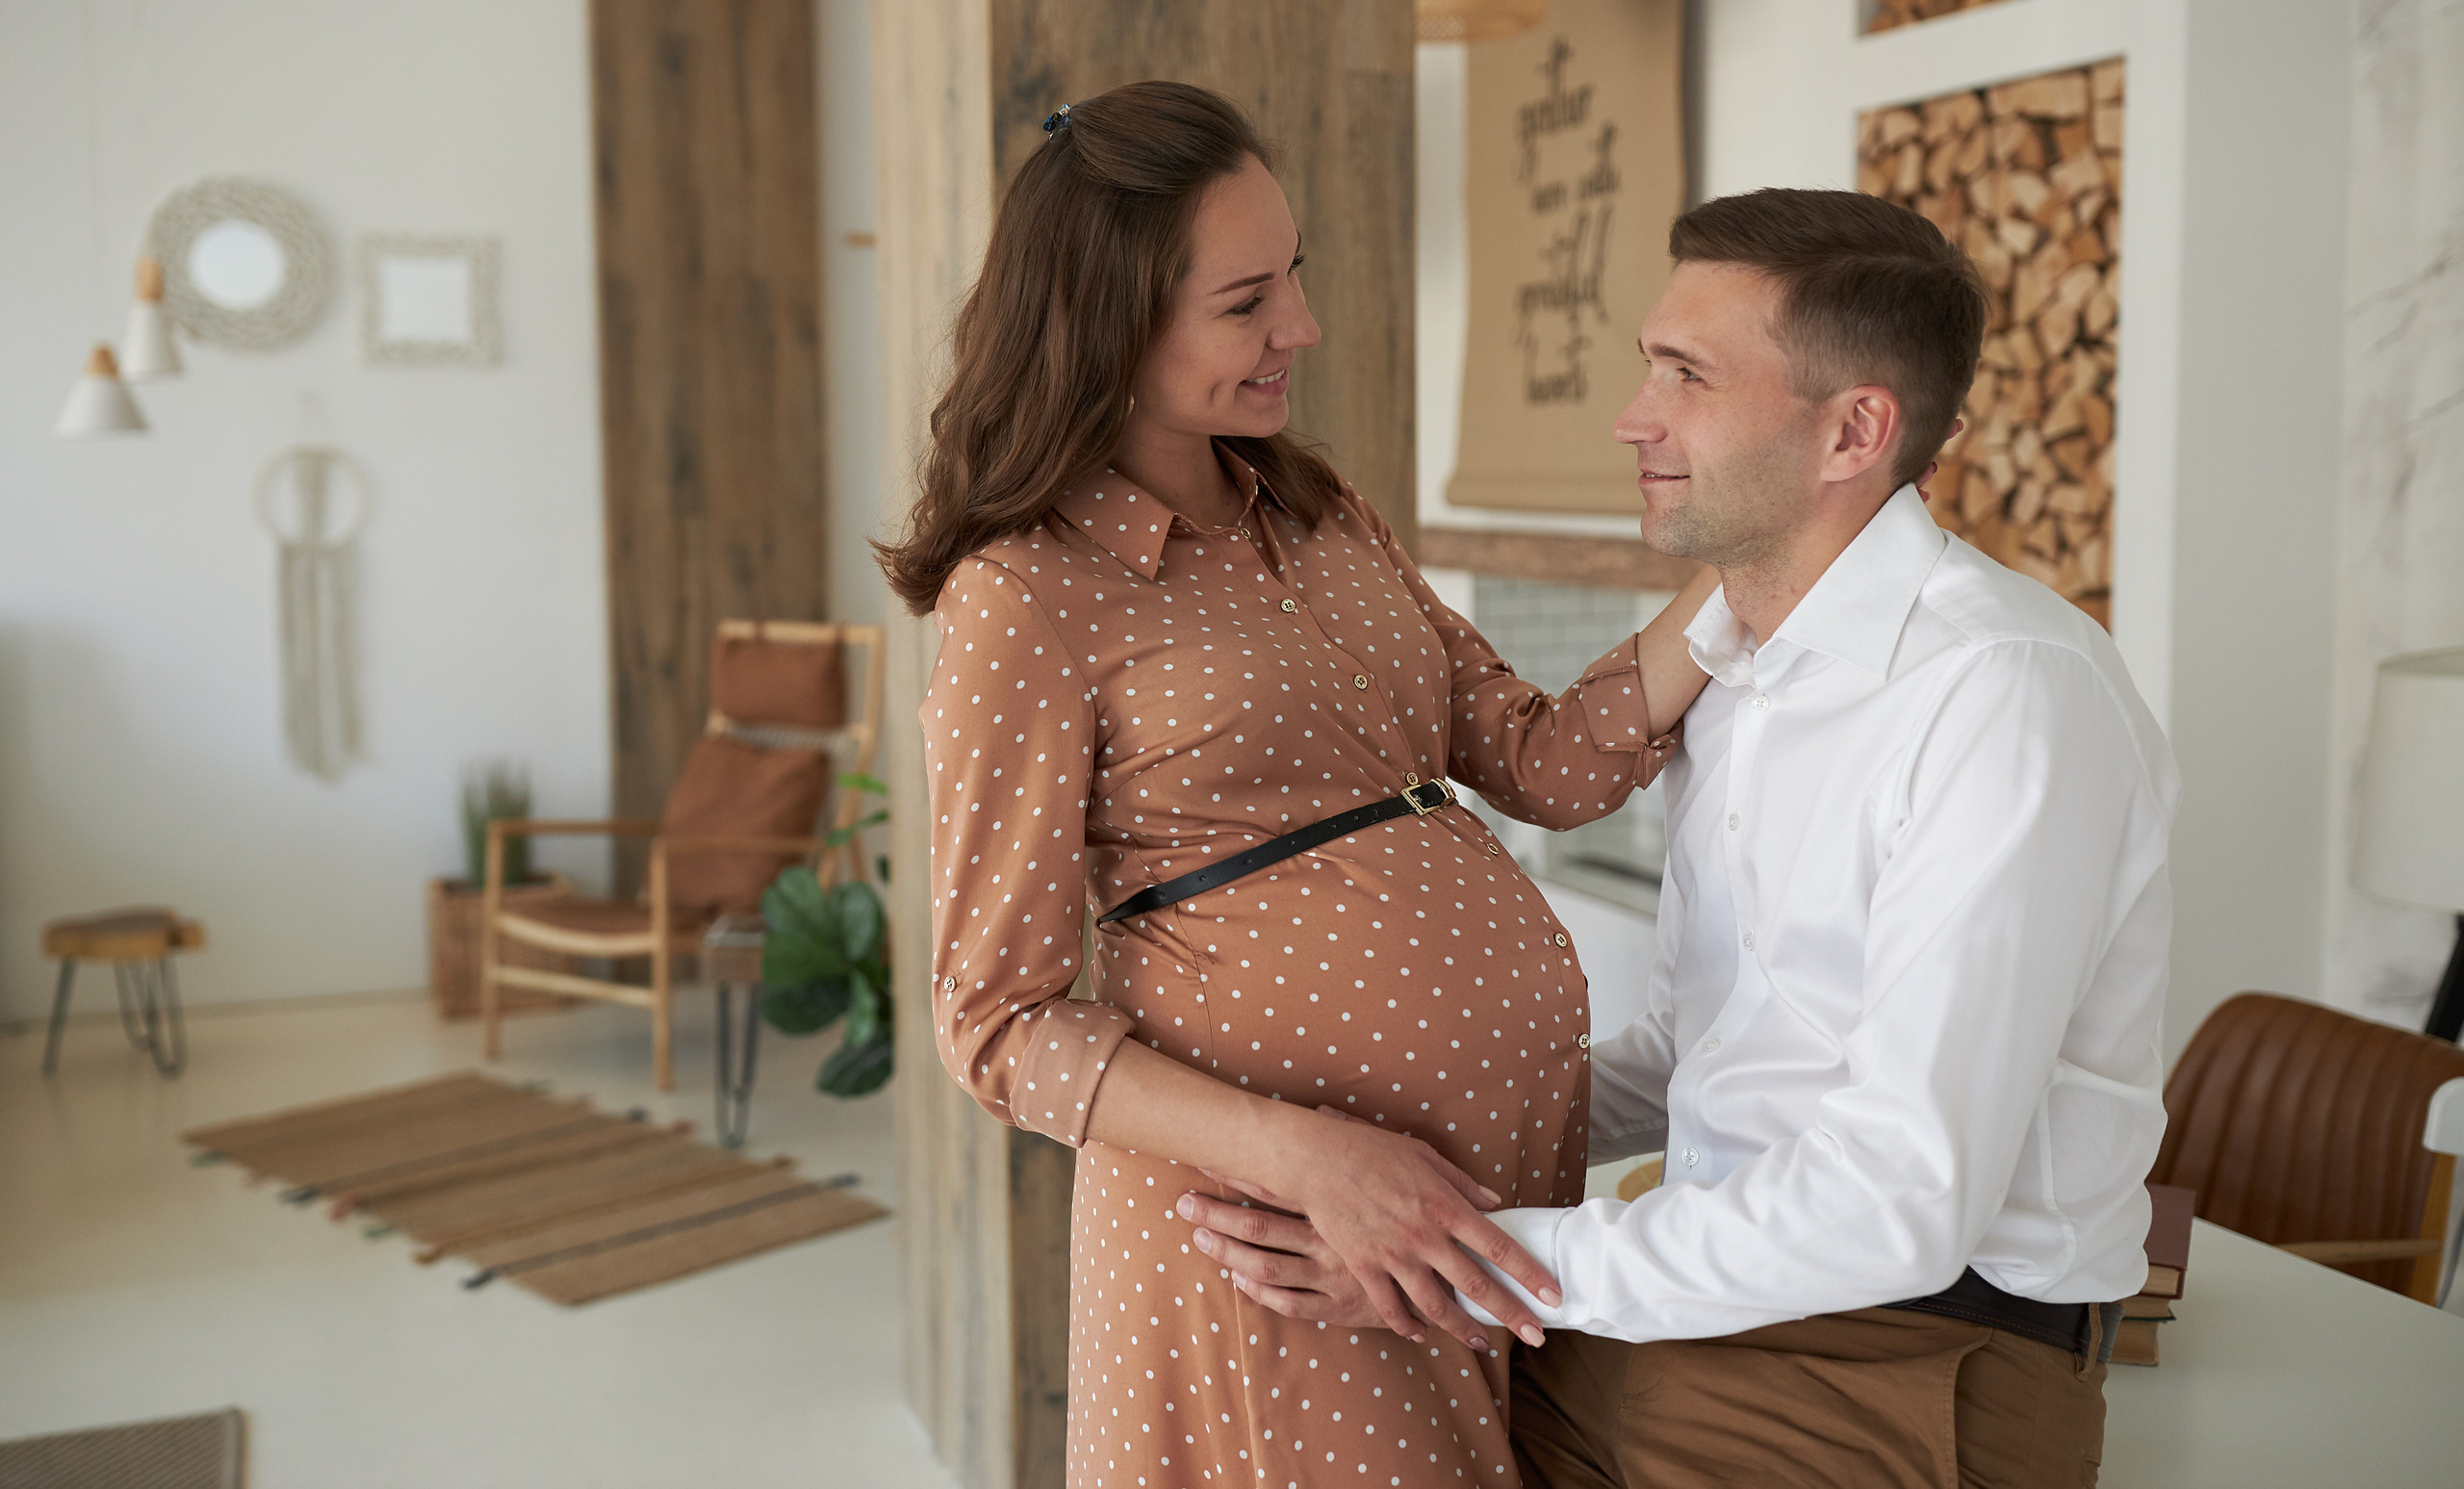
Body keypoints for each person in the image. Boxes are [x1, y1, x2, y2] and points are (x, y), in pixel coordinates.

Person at [1181, 188, 2179, 1488]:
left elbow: (1896, 1208)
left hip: (1912, 1360)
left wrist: (1486, 1260)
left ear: (1853, 432)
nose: (1632, 417)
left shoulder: (2004, 696)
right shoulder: (1736, 672)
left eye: (1685, 377)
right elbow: (1714, 1052)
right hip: (1696, 1309)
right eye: (1648, 366)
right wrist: (1388, 1154)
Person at [877, 80, 1718, 1488]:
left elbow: (1543, 759)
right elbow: (998, 1025)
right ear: (1108, 319)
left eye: (1298, 276)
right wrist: (1307, 1156)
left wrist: (1762, 572)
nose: (1302, 329)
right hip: (1265, 1243)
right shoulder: (1025, 596)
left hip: (1484, 1222)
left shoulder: (1322, 516)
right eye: (1245, 300)